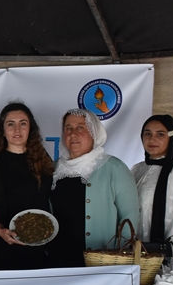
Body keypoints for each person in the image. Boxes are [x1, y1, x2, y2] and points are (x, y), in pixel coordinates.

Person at [48, 109, 140, 268]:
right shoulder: (53, 169)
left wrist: (121, 257)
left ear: (94, 133)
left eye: (80, 127)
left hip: (101, 263)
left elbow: (129, 216)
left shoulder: (114, 168)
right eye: (68, 128)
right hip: (59, 261)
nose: (73, 134)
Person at [0, 102, 54, 270]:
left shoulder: (43, 160)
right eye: (10, 124)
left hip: (41, 245)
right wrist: (0, 230)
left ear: (30, 128)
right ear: (2, 131)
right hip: (7, 246)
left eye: (23, 123)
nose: (17, 129)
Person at [131, 114, 173, 258]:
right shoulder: (137, 169)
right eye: (147, 134)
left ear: (172, 138)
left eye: (160, 134)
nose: (152, 139)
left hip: (169, 254)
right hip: (137, 251)